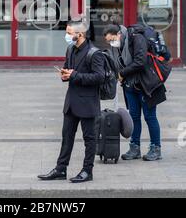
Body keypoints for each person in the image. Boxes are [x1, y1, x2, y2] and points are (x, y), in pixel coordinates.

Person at [38, 21, 105, 183]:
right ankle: (61, 169)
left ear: (80, 34)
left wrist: (74, 75)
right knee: (66, 137)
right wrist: (64, 74)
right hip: (71, 102)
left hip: (88, 103)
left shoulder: (94, 53)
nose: (67, 36)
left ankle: (87, 171)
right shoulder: (70, 49)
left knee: (90, 139)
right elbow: (68, 69)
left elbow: (99, 77)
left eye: (69, 33)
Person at [103, 24, 164, 162]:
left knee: (150, 116)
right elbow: (117, 64)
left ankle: (156, 148)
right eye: (108, 42)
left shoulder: (136, 38)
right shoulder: (117, 47)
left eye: (112, 39)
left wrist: (122, 73)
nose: (112, 43)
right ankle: (134, 147)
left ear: (119, 34)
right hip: (130, 85)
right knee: (134, 116)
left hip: (146, 83)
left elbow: (140, 61)